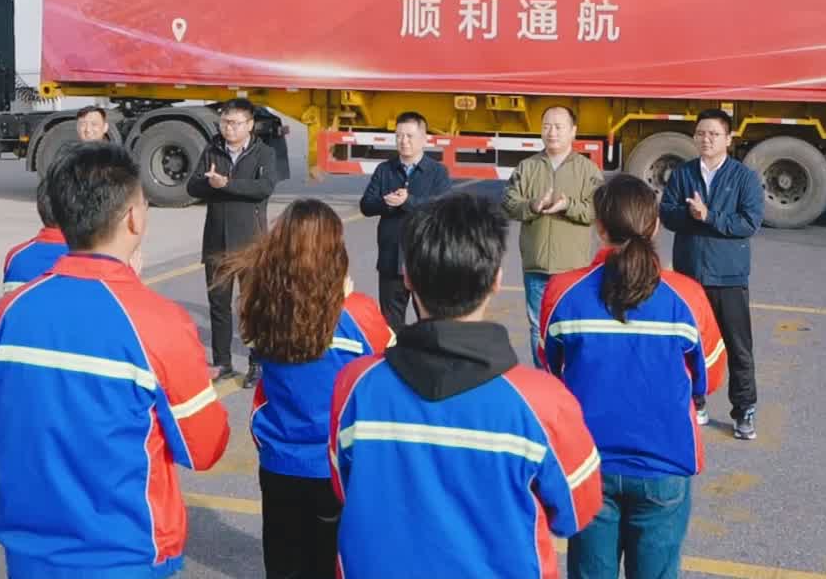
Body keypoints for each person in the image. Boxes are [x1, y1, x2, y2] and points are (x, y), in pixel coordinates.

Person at [330, 192, 602, 579]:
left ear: (408, 278)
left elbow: (345, 485)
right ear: (496, 279)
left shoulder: (356, 386)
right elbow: (577, 509)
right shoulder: (541, 401)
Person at [0, 142, 230, 578]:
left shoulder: (13, 310)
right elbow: (203, 448)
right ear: (133, 217)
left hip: (28, 548)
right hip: (123, 551)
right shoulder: (159, 321)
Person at [540, 174, 726, 579]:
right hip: (664, 462)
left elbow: (550, 372)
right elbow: (710, 378)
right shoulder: (686, 296)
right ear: (655, 226)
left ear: (599, 228)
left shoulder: (563, 292)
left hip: (589, 464)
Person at [216, 199, 391, 579]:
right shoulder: (356, 314)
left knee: (284, 566)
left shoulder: (263, 307)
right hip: (336, 466)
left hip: (278, 459)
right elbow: (390, 367)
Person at [659, 109, 766, 440]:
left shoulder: (744, 178)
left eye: (714, 134)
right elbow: (667, 214)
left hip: (728, 277)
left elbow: (749, 223)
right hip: (690, 276)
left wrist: (709, 216)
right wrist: (691, 216)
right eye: (701, 133)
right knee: (688, 344)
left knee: (738, 348)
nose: (706, 139)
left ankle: (744, 411)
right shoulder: (683, 173)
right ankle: (697, 402)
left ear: (728, 139)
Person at [185, 97, 280, 386]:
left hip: (250, 241)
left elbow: (263, 188)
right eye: (225, 122)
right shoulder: (213, 149)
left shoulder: (264, 153)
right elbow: (192, 186)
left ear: (250, 125)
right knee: (218, 305)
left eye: (235, 123)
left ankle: (256, 363)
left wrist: (226, 184)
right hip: (216, 241)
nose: (229, 128)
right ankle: (222, 362)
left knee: (252, 306)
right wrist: (209, 183)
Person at [501, 104, 604, 365]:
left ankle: (570, 378)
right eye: (547, 126)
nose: (552, 132)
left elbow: (596, 210)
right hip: (536, 265)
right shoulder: (527, 167)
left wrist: (568, 205)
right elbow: (509, 203)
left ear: (573, 131)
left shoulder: (587, 170)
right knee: (538, 328)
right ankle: (544, 378)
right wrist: (533, 205)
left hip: (573, 268)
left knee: (572, 326)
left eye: (559, 127)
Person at [358, 111, 452, 330]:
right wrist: (387, 203)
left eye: (409, 136)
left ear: (424, 138)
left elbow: (442, 208)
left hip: (425, 261)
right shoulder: (385, 170)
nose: (404, 141)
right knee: (390, 327)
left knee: (431, 326)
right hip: (390, 262)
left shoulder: (437, 172)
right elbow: (366, 205)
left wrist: (408, 201)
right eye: (399, 136)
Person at [2, 108, 107, 292]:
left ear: (105, 127)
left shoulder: (115, 159)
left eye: (94, 125)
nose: (88, 130)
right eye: (83, 124)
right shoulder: (67, 155)